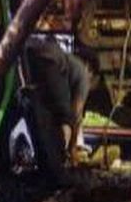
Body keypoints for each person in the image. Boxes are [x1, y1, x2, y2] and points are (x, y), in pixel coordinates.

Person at [25, 37, 98, 170]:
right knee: (64, 117)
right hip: (51, 63)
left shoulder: (71, 63)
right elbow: (76, 114)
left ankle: (47, 160)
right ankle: (60, 159)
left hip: (31, 56)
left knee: (44, 114)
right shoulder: (84, 74)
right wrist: (73, 148)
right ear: (90, 68)